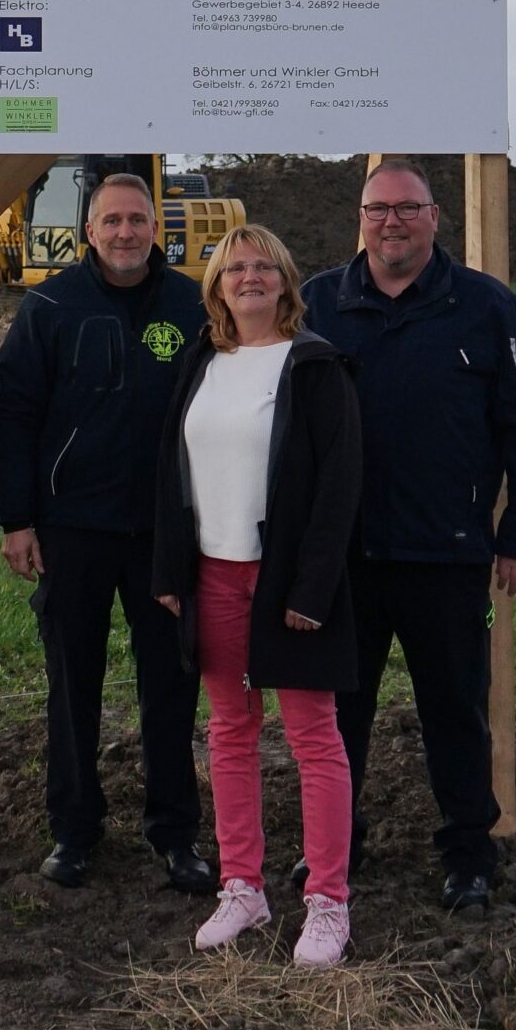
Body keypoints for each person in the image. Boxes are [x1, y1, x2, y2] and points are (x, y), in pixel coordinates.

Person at [299, 158, 516, 914]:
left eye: (407, 209)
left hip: (447, 554)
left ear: (435, 217)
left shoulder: (486, 309)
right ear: (361, 217)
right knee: (337, 715)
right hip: (343, 561)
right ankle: (334, 846)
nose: (392, 222)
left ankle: (468, 852)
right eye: (378, 209)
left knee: (455, 709)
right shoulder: (318, 302)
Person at [0, 169, 215, 895]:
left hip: (166, 532)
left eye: (137, 220)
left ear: (158, 228)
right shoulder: (49, 304)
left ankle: (175, 832)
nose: (125, 232)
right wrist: (17, 519)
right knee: (71, 684)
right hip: (72, 529)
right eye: (111, 220)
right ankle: (74, 829)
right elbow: (17, 415)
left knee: (171, 685)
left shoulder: (191, 304)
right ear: (89, 230)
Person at [153, 224, 362, 966]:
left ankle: (327, 900)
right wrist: (170, 573)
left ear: (284, 280)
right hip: (212, 572)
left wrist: (312, 586)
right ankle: (243, 884)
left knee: (313, 736)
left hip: (285, 580)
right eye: (234, 267)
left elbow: (340, 487)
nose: (249, 277)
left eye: (262, 266)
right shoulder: (203, 360)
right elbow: (171, 472)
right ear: (215, 285)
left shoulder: (314, 366)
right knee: (229, 733)